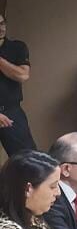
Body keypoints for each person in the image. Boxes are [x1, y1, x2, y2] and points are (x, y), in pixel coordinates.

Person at [0, 14, 36, 156]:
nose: (1, 28)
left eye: (2, 23)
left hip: (11, 111)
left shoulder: (17, 47)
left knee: (27, 158)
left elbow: (22, 75)